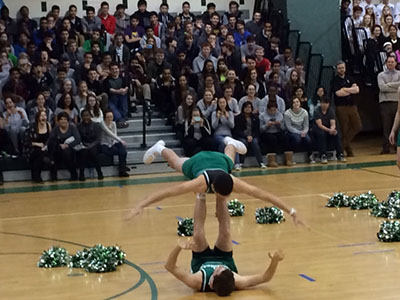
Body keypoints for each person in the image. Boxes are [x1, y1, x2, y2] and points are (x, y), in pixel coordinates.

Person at [126, 137, 304, 227]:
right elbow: (168, 192)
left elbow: (264, 195)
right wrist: (140, 205)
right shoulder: (199, 183)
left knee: (229, 159)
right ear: (214, 189)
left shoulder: (233, 181)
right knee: (175, 163)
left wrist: (292, 210)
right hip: (199, 162)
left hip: (221, 163)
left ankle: (230, 142)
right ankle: (160, 147)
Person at [164, 193, 284, 296]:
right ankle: (221, 193)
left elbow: (169, 266)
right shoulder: (236, 280)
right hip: (225, 258)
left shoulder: (197, 281)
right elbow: (265, 277)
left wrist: (179, 247)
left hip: (201, 260)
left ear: (211, 282)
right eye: (224, 269)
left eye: (218, 270)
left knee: (198, 234)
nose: (220, 266)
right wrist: (275, 261)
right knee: (226, 231)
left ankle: (200, 193)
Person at [332, 61, 362, 157]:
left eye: (343, 67)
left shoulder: (350, 78)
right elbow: (338, 93)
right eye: (339, 68)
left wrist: (345, 89)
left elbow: (357, 90)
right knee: (344, 129)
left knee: (357, 126)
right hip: (341, 107)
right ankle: (347, 150)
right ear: (337, 69)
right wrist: (350, 90)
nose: (341, 69)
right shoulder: (335, 80)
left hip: (352, 106)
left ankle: (341, 147)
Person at [313, 98, 347, 164]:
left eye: (326, 103)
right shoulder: (317, 111)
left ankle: (340, 154)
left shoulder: (331, 111)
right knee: (322, 134)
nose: (324, 105)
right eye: (322, 103)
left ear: (328, 104)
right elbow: (320, 125)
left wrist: (332, 129)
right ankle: (323, 155)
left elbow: (333, 123)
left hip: (329, 127)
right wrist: (329, 130)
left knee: (336, 134)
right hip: (319, 128)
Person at [377, 56, 400, 154]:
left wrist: (389, 84)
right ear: (386, 63)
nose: (390, 63)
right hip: (385, 103)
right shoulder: (381, 75)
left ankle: (396, 146)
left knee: (397, 125)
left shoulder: (399, 74)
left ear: (396, 63)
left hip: (396, 102)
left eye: (392, 62)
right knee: (386, 126)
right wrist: (395, 86)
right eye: (388, 62)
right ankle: (386, 147)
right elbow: (382, 88)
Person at [233, 101, 266, 170]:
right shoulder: (238, 118)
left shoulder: (255, 117)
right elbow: (237, 131)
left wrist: (252, 136)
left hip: (253, 136)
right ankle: (241, 162)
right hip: (242, 136)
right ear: (243, 108)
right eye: (246, 107)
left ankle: (261, 162)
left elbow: (257, 130)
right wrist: (246, 137)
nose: (247, 109)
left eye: (249, 107)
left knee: (255, 142)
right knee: (243, 143)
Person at [101, 110, 130, 177]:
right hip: (105, 145)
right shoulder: (102, 124)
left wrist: (118, 142)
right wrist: (120, 140)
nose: (110, 119)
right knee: (119, 151)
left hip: (113, 143)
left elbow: (115, 135)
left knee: (123, 149)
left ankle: (122, 168)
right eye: (108, 117)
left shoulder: (113, 123)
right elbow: (109, 133)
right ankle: (122, 167)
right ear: (104, 117)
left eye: (111, 117)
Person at [25, 110, 52, 183]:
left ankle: (36, 175)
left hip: (45, 148)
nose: (44, 117)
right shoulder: (32, 126)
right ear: (37, 117)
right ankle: (37, 176)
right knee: (38, 152)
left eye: (45, 115)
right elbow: (27, 141)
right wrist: (37, 144)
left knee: (41, 153)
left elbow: (50, 139)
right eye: (41, 116)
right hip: (33, 148)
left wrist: (46, 146)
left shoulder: (48, 125)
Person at [77, 109, 103, 181]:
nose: (86, 117)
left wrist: (91, 145)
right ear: (81, 117)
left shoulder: (96, 125)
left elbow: (98, 139)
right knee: (83, 152)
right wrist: (85, 145)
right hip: (83, 144)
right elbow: (78, 138)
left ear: (90, 116)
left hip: (95, 144)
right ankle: (81, 174)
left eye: (87, 115)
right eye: (84, 116)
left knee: (92, 151)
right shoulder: (78, 126)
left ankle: (99, 172)